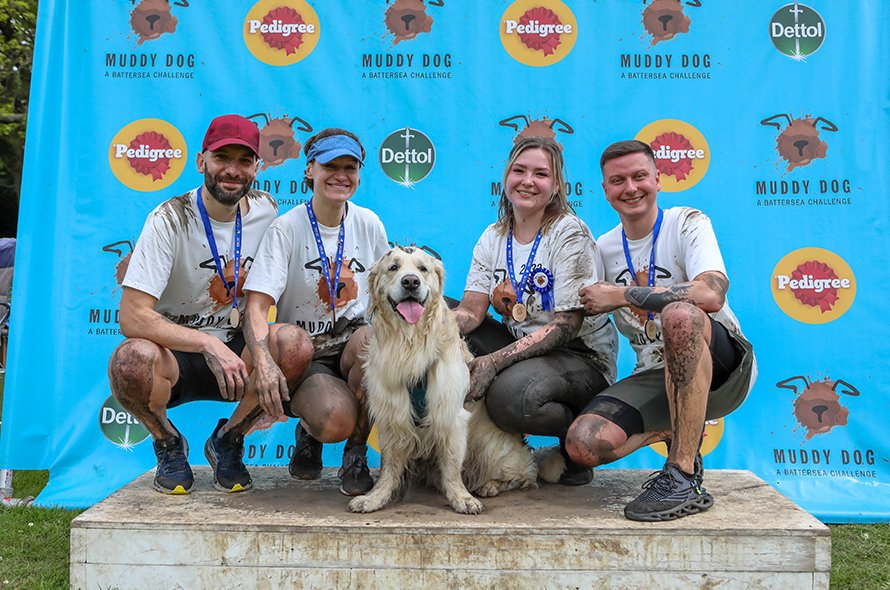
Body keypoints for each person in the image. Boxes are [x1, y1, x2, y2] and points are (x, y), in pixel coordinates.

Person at [108, 114, 313, 495]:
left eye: (244, 160)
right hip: (177, 353)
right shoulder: (169, 219)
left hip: (238, 348)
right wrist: (206, 343)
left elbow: (262, 298)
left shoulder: (266, 209)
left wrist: (260, 357)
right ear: (201, 161)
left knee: (295, 345)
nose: (232, 170)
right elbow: (132, 315)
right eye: (222, 158)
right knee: (130, 360)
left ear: (257, 167)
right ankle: (168, 443)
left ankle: (230, 440)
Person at [566, 139, 757, 521]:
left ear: (659, 178)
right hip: (655, 371)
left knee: (680, 315)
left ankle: (682, 474)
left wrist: (620, 294)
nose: (630, 188)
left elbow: (710, 293)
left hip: (724, 368)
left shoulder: (687, 222)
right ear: (605, 191)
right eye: (617, 181)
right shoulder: (600, 249)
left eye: (640, 176)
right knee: (583, 444)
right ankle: (680, 432)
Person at [452, 136, 618, 485]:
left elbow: (566, 326)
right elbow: (470, 311)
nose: (527, 181)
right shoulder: (492, 236)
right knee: (438, 312)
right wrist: (426, 328)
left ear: (556, 185)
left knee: (511, 397)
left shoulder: (568, 232)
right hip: (524, 348)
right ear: (506, 176)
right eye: (519, 171)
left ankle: (573, 442)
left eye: (540, 174)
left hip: (580, 357)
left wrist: (494, 362)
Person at [243, 128, 388, 496]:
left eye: (350, 167)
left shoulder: (369, 223)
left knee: (376, 343)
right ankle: (310, 429)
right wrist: (263, 360)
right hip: (305, 353)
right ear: (310, 169)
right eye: (330, 166)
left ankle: (355, 454)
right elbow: (257, 306)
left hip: (352, 343)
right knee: (334, 419)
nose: (341, 175)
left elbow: (383, 297)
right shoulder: (286, 228)